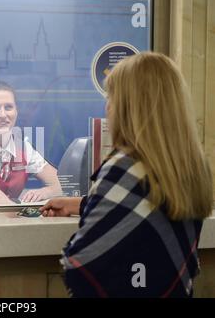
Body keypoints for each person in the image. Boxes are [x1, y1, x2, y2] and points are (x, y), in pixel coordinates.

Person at [40, 52, 213, 297]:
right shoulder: (193, 167)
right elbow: (153, 205)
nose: (107, 105)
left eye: (112, 97)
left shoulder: (124, 166)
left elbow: (80, 264)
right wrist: (82, 204)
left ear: (130, 107)